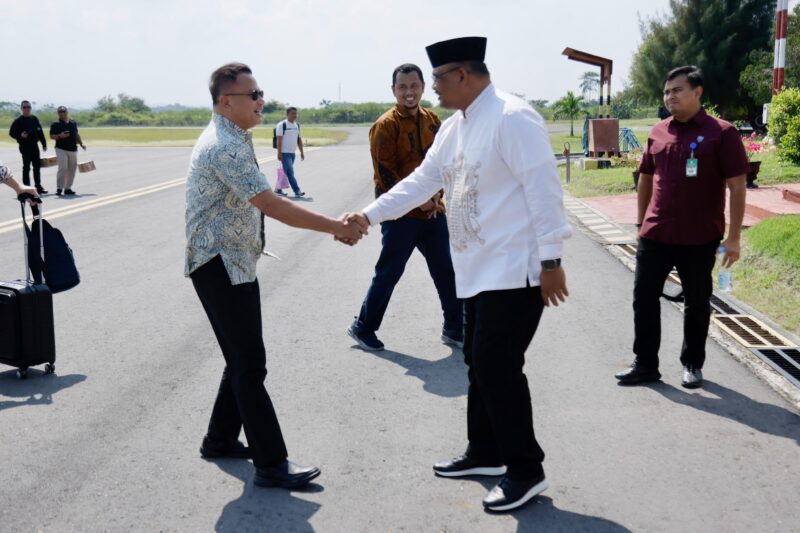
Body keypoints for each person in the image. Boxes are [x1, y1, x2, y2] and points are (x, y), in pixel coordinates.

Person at [344, 37, 572, 512]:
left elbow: (544, 190)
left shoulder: (513, 118)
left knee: (498, 367)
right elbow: (420, 183)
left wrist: (551, 260)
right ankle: (485, 452)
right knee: (477, 360)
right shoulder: (455, 127)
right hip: (477, 270)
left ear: (463, 75)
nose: (434, 90)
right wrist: (368, 215)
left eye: (440, 79)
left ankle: (526, 469)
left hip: (517, 270)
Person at [186, 62, 366, 490]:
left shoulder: (232, 135)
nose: (261, 101)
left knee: (241, 359)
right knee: (250, 365)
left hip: (229, 262)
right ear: (226, 101)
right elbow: (274, 205)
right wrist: (336, 227)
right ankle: (271, 463)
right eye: (254, 95)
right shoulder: (224, 146)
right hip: (221, 265)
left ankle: (220, 439)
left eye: (261, 92)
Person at [615, 66, 748, 389]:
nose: (670, 97)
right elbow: (646, 177)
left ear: (697, 92)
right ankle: (645, 364)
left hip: (699, 235)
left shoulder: (722, 133)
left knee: (697, 303)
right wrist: (640, 221)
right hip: (656, 233)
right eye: (666, 92)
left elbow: (737, 186)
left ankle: (692, 364)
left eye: (677, 90)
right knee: (643, 298)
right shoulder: (658, 132)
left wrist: (733, 239)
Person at [347, 63, 462, 352]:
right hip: (400, 217)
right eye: (402, 87)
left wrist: (436, 198)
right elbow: (385, 175)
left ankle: (455, 328)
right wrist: (419, 199)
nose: (408, 92)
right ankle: (363, 327)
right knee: (389, 273)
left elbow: (444, 165)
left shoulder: (434, 121)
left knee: (446, 271)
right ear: (393, 90)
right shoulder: (385, 126)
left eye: (414, 86)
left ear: (423, 87)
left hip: (433, 213)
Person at [8, 101, 48, 194]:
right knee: (26, 167)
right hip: (24, 146)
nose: (27, 109)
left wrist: (44, 143)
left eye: (28, 107)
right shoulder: (18, 121)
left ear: (31, 108)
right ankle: (26, 188)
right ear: (21, 109)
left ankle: (38, 187)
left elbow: (40, 131)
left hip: (34, 146)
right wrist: (20, 135)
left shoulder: (34, 119)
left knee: (37, 167)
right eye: (24, 107)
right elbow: (11, 133)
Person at [49, 106, 86, 196]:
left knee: (72, 169)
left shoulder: (73, 123)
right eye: (60, 112)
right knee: (63, 168)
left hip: (73, 148)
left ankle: (67, 188)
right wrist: (60, 136)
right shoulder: (55, 124)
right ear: (58, 113)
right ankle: (59, 188)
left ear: (67, 112)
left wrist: (81, 144)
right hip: (61, 148)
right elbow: (51, 136)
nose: (62, 113)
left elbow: (76, 134)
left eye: (63, 111)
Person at [274, 107, 306, 197]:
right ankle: (297, 190)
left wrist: (302, 152)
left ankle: (278, 189)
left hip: (292, 153)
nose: (295, 115)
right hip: (284, 153)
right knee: (290, 172)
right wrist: (279, 153)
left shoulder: (296, 125)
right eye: (292, 113)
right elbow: (279, 140)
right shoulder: (282, 125)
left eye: (296, 114)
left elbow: (299, 140)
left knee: (285, 172)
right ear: (287, 114)